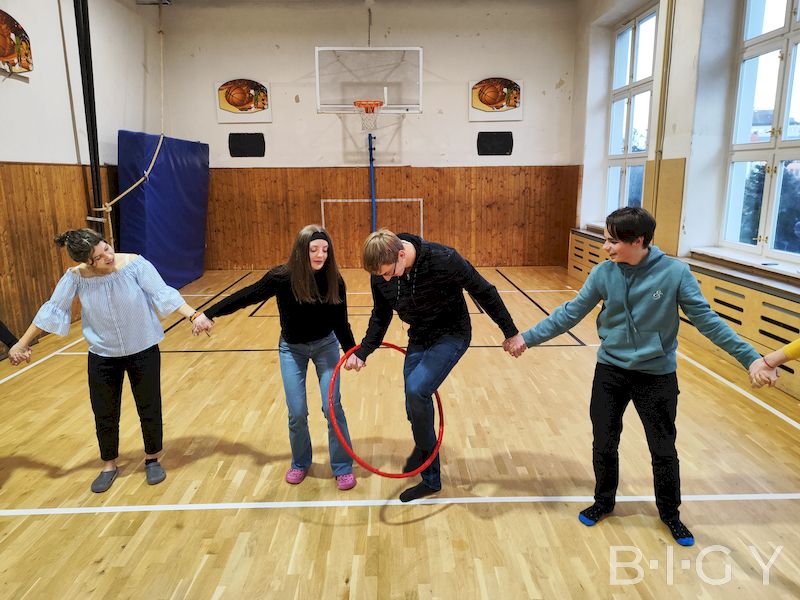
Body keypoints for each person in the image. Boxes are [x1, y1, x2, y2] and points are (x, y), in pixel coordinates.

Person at [504, 207, 776, 546]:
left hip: (656, 375)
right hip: (611, 371)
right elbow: (569, 314)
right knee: (604, 442)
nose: (606, 247)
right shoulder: (604, 273)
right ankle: (603, 502)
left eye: (613, 241)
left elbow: (709, 322)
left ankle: (670, 514)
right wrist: (527, 338)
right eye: (606, 239)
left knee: (663, 449)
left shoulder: (675, 273)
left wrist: (751, 357)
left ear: (638, 241)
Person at [8, 228, 213, 493]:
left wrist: (194, 315)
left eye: (106, 248)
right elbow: (52, 309)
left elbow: (163, 293)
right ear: (86, 261)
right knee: (104, 411)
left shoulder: (135, 264)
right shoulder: (76, 277)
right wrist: (22, 343)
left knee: (149, 406)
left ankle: (152, 459)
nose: (108, 256)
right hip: (103, 355)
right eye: (98, 256)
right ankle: (109, 465)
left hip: (143, 349)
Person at [343, 229, 520, 502]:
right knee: (412, 407)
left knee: (417, 390)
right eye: (380, 275)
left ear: (401, 254)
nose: (385, 279)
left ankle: (430, 478)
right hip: (419, 336)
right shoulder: (381, 272)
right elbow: (380, 315)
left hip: (452, 334)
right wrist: (363, 352)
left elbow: (484, 291)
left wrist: (511, 332)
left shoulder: (443, 259)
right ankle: (427, 458)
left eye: (389, 273)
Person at [192, 225, 358, 491]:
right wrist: (209, 313)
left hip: (326, 346)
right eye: (314, 249)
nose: (320, 255)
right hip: (292, 350)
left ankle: (342, 466)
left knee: (332, 407)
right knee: (297, 412)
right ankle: (300, 463)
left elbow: (341, 321)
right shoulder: (281, 277)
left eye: (325, 250)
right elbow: (245, 296)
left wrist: (351, 351)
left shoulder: (333, 280)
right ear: (302, 250)